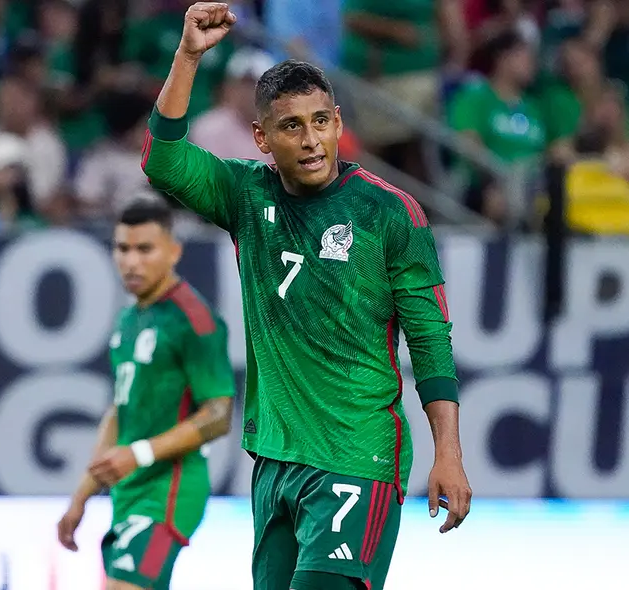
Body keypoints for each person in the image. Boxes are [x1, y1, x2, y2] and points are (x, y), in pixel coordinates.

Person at [140, 4, 473, 590]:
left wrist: (448, 452)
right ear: (262, 137)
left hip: (357, 457)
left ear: (339, 123)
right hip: (274, 458)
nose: (312, 139)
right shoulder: (245, 195)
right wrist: (188, 55)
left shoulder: (388, 213)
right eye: (292, 126)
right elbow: (162, 160)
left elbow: (430, 340)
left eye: (321, 121)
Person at [57, 198, 237, 590]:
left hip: (168, 492)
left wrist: (139, 454)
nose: (131, 262)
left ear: (174, 252)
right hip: (129, 493)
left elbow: (219, 414)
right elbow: (119, 411)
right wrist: (82, 495)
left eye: (145, 249)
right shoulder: (129, 319)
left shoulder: (195, 321)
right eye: (122, 249)